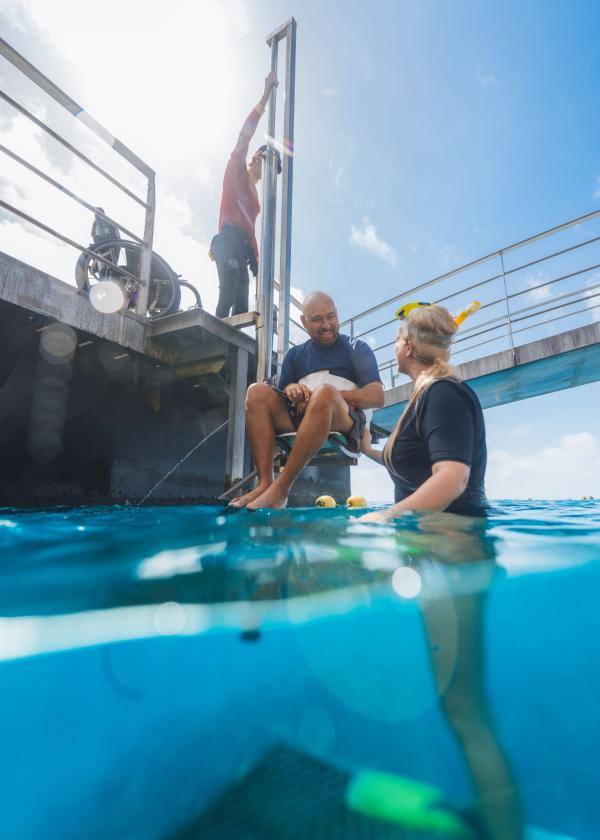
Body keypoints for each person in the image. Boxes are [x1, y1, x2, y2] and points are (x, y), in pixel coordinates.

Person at [230, 291, 385, 509]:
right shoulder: (295, 355)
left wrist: (324, 396)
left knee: (325, 393)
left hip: (344, 421)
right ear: (303, 322)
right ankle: (265, 483)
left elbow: (377, 396)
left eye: (331, 316)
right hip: (301, 418)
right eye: (317, 319)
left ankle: (281, 490)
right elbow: (281, 394)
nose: (326, 325)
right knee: (256, 391)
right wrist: (294, 389)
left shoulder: (356, 348)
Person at [359, 303, 488, 522]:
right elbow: (413, 462)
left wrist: (385, 516)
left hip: (452, 540)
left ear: (408, 347)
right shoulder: (429, 394)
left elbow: (452, 477)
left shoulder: (442, 393)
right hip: (429, 539)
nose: (394, 347)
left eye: (397, 340)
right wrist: (368, 450)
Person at [211, 71, 278, 319]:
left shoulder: (256, 203)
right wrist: (264, 99)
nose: (267, 171)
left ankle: (232, 350)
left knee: (241, 305)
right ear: (256, 160)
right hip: (226, 241)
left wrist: (258, 263)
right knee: (228, 290)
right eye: (266, 163)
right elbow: (244, 136)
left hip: (242, 247)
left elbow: (251, 234)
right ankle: (216, 330)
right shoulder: (236, 173)